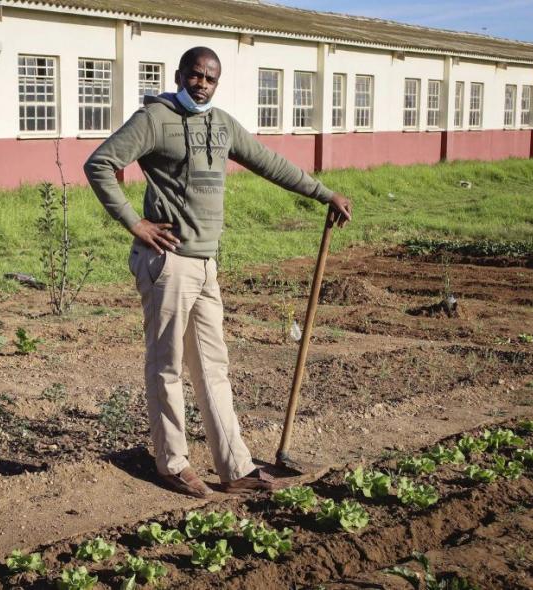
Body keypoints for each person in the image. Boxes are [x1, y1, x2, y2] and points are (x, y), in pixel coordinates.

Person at [84, 46, 352, 498]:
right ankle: (171, 463)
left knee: (213, 366)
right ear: (179, 75)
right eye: (194, 75)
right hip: (168, 263)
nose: (201, 84)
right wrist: (136, 223)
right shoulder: (155, 119)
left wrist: (323, 193)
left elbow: (269, 162)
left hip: (206, 265)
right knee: (167, 366)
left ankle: (235, 466)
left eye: (209, 78)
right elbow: (100, 164)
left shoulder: (222, 124)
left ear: (216, 82)